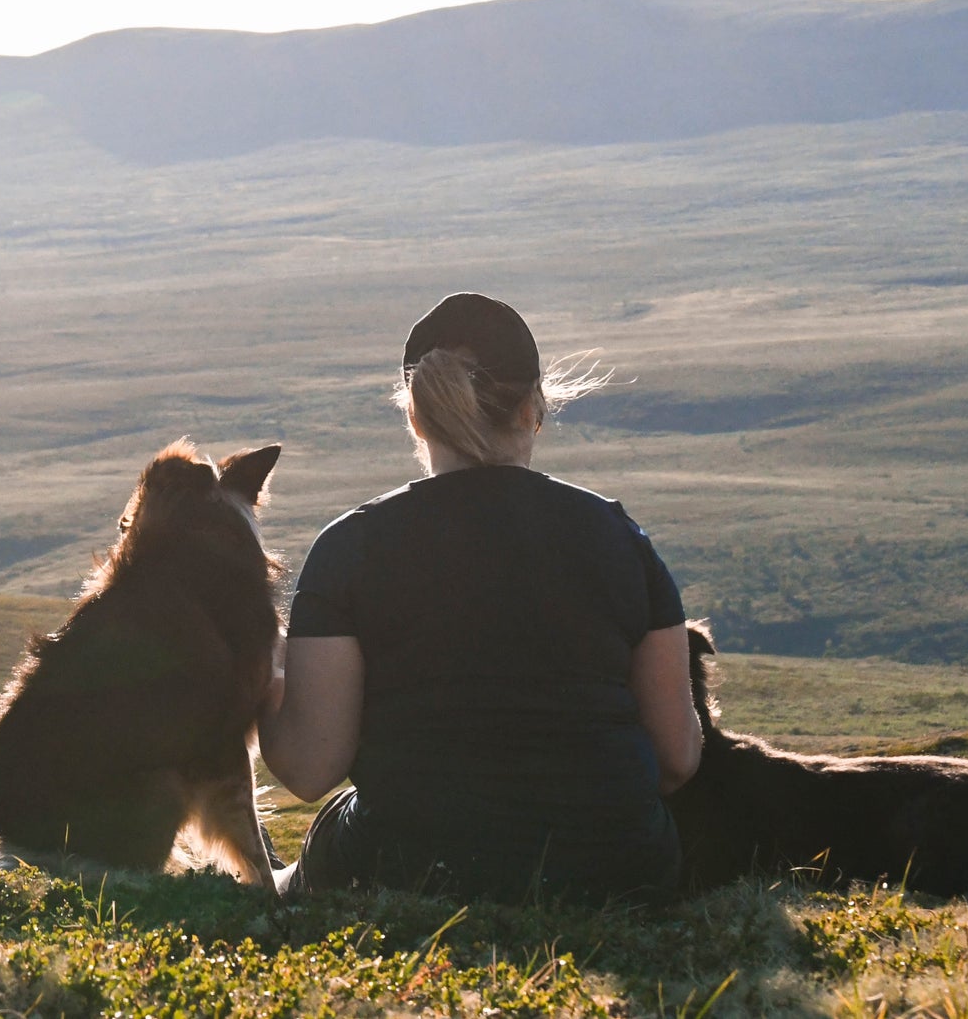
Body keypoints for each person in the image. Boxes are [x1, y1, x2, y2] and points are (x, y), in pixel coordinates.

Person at [257, 293, 701, 902]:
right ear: (534, 409)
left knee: (329, 836)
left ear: (415, 417)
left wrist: (261, 678)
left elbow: (310, 770)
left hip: (408, 867)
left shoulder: (351, 546)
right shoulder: (620, 537)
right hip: (620, 871)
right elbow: (676, 759)